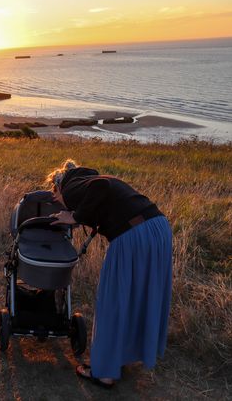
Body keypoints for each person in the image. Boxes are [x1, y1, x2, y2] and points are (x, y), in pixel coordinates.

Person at [47, 159, 172, 389]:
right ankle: (123, 356)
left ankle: (104, 373)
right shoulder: (87, 180)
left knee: (113, 301)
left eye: (55, 197)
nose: (58, 203)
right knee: (138, 298)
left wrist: (74, 216)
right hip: (158, 229)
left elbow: (101, 187)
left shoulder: (71, 185)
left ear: (58, 186)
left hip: (133, 236)